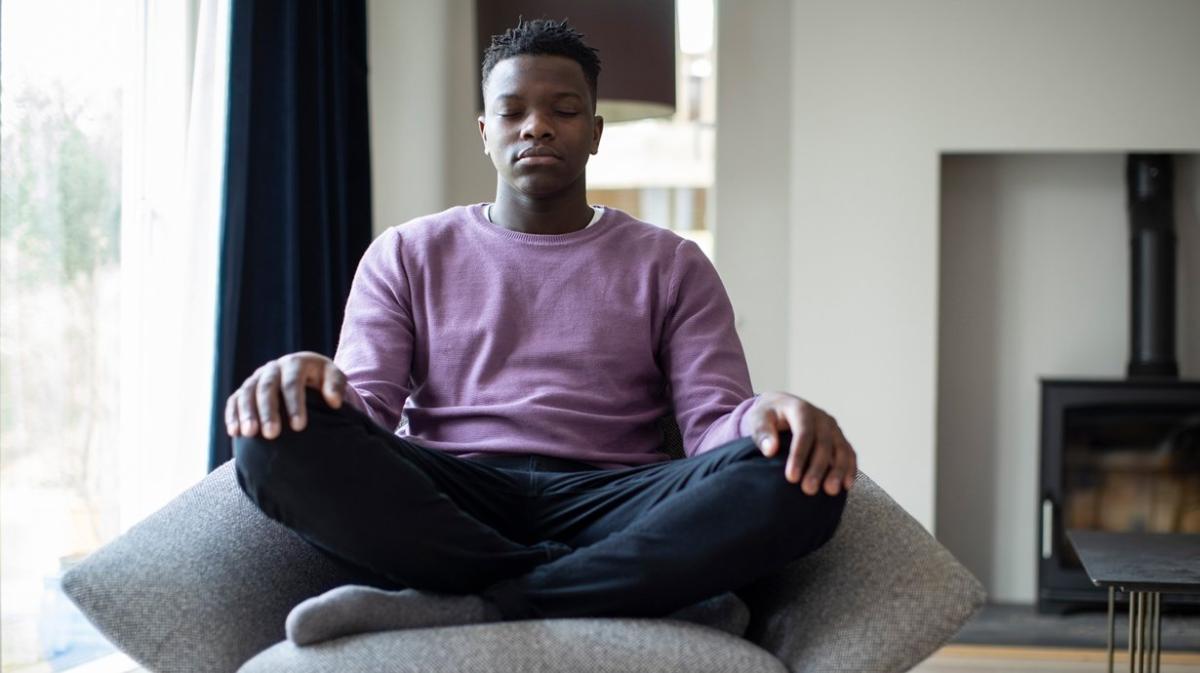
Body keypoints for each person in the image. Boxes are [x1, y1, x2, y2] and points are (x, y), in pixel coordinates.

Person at [226, 18, 856, 646]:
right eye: (511, 112)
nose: (536, 126)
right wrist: (313, 379)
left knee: (793, 480)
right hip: (453, 496)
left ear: (596, 132)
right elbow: (366, 410)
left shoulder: (673, 263)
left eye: (564, 109)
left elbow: (710, 427)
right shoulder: (406, 253)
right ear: (484, 131)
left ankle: (471, 602)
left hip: (609, 498)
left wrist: (762, 416)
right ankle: (624, 592)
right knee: (276, 440)